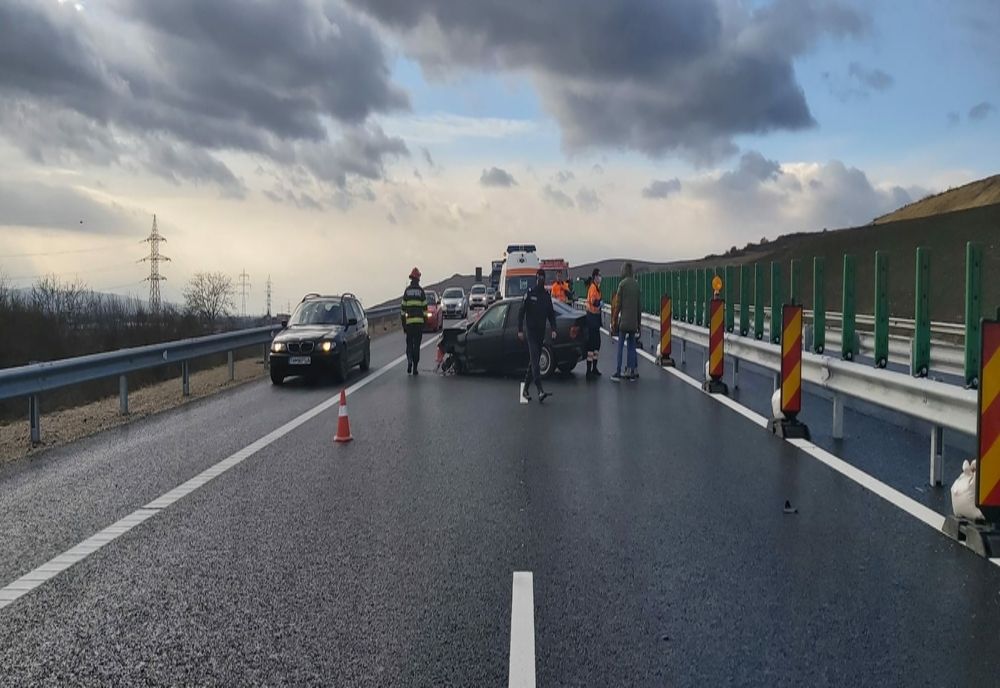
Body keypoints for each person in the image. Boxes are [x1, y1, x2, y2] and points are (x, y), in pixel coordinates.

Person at [518, 268, 558, 403]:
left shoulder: (546, 296)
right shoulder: (530, 293)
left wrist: (554, 329)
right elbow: (521, 312)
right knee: (535, 360)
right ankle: (540, 390)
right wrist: (520, 330)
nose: (540, 280)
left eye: (542, 278)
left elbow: (551, 314)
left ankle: (525, 389)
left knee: (533, 362)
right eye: (538, 278)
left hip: (541, 333)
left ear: (544, 279)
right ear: (536, 279)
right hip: (531, 333)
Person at [611, 262, 641, 382]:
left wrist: (614, 320)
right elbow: (639, 307)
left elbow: (617, 305)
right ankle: (631, 371)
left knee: (620, 347)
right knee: (632, 347)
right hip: (633, 322)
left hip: (623, 322)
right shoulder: (636, 285)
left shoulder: (622, 285)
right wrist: (639, 323)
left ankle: (618, 371)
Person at [400, 267, 427, 375]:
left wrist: (404, 325)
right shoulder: (421, 292)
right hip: (419, 324)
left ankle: (409, 360)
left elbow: (402, 310)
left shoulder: (407, 291)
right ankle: (415, 368)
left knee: (409, 344)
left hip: (410, 324)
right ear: (418, 279)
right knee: (417, 346)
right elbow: (425, 310)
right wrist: (424, 323)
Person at [585, 268, 603, 378]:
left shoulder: (597, 288)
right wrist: (599, 303)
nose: (600, 277)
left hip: (595, 318)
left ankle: (594, 368)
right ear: (595, 276)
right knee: (592, 345)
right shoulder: (593, 288)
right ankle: (589, 370)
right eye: (599, 275)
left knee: (597, 344)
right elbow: (593, 302)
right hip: (591, 318)